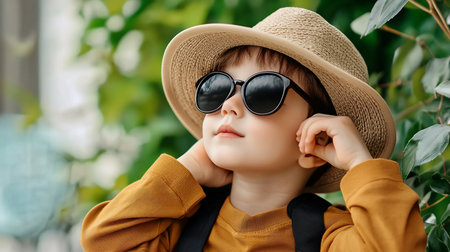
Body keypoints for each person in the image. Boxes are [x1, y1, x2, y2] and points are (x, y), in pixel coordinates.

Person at [80, 7, 426, 251]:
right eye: (218, 87)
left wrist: (359, 164)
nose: (229, 104)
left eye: (263, 92)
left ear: (316, 137)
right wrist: (187, 169)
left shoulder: (328, 238)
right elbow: (103, 241)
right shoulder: (179, 227)